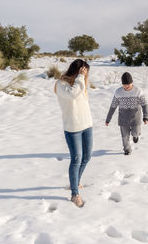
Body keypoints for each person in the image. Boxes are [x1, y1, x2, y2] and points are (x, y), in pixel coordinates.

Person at [54, 59, 93, 208]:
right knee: (76, 159)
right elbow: (72, 94)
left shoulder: (80, 82)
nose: (85, 74)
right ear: (76, 71)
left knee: (87, 157)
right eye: (83, 71)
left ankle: (75, 182)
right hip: (72, 128)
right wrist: (80, 78)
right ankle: (74, 194)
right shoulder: (61, 84)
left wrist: (81, 79)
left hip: (87, 125)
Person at [105, 72, 148, 155]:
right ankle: (127, 149)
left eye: (129, 84)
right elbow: (113, 106)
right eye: (125, 84)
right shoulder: (118, 92)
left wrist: (145, 116)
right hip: (123, 118)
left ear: (132, 82)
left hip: (135, 118)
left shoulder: (138, 91)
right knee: (125, 136)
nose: (127, 86)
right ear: (122, 84)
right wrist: (108, 119)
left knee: (135, 132)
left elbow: (144, 104)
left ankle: (136, 136)